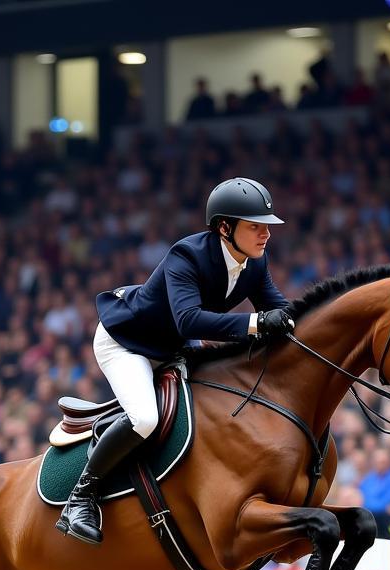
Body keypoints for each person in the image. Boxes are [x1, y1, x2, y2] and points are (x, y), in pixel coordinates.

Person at [56, 177, 292, 545]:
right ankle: (81, 497)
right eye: (255, 226)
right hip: (128, 343)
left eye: (267, 226)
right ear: (224, 227)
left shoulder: (255, 263)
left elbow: (277, 308)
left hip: (173, 346)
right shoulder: (187, 255)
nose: (266, 234)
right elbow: (189, 319)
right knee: (146, 418)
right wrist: (255, 323)